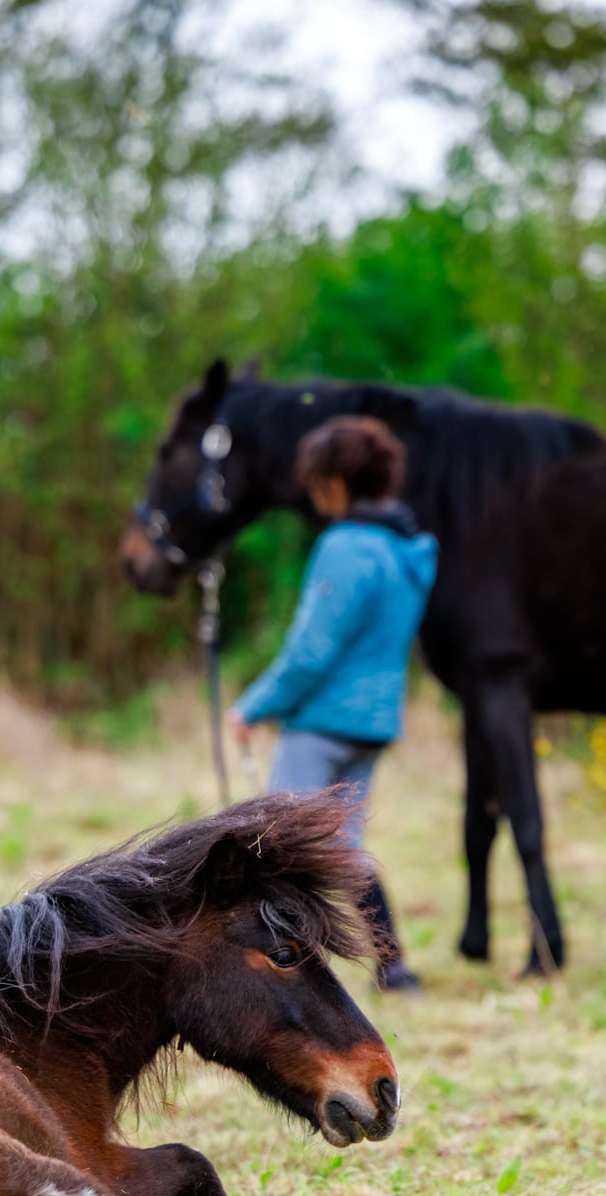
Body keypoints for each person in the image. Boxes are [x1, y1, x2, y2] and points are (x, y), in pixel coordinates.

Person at [229, 415, 438, 991]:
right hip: (374, 722)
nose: (315, 495)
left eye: (318, 481)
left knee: (280, 846)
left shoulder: (346, 547)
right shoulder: (408, 552)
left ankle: (284, 973)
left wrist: (254, 705)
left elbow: (311, 651)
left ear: (337, 481)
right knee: (344, 850)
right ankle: (394, 966)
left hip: (322, 721)